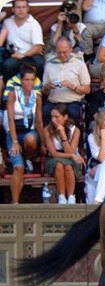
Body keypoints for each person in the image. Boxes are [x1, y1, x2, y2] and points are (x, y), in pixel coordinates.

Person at [4, 65, 44, 204]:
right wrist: (14, 141)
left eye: (32, 80)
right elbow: (10, 119)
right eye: (27, 80)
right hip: (14, 132)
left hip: (30, 130)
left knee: (31, 139)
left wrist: (43, 143)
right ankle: (15, 203)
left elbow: (39, 121)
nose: (30, 83)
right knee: (18, 167)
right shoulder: (13, 94)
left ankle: (29, 159)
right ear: (21, 81)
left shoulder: (37, 97)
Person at [41, 36, 91, 126]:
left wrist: (74, 87)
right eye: (59, 52)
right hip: (54, 102)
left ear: (71, 49)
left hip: (72, 102)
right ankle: (49, 139)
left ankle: (74, 139)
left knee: (73, 113)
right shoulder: (49, 65)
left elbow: (87, 90)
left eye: (65, 52)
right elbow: (44, 92)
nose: (62, 55)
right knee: (45, 111)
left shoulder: (79, 64)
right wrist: (47, 87)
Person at [43, 104, 85, 204]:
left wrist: (63, 135)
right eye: (52, 117)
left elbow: (70, 151)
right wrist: (72, 156)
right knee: (59, 165)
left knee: (68, 167)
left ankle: (71, 197)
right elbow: (53, 153)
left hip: (70, 158)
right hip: (54, 158)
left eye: (56, 117)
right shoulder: (47, 130)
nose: (53, 120)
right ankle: (62, 197)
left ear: (65, 117)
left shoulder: (75, 130)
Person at [2, 0, 45, 81]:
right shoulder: (7, 22)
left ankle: (39, 90)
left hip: (32, 55)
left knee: (40, 64)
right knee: (7, 65)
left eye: (23, 7)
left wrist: (23, 56)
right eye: (18, 7)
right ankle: (8, 90)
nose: (21, 10)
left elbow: (38, 47)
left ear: (28, 8)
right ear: (13, 9)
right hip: (14, 55)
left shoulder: (34, 24)